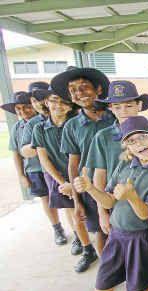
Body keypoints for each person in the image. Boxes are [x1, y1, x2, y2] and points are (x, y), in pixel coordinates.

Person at [74, 116, 148, 291]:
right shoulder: (124, 165)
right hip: (116, 236)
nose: (138, 144)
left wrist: (131, 197)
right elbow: (109, 200)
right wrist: (90, 188)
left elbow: (146, 215)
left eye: (143, 137)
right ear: (127, 147)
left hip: (141, 239)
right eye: (131, 141)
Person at [87, 80, 148, 291]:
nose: (123, 111)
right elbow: (100, 177)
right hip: (117, 223)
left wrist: (132, 196)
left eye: (128, 105)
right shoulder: (104, 138)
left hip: (141, 231)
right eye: (117, 107)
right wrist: (103, 212)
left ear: (139, 105)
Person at [52, 66, 115, 272]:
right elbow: (73, 164)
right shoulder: (72, 126)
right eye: (73, 90)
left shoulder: (116, 115)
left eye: (84, 87)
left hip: (120, 184)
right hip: (91, 189)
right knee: (100, 233)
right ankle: (109, 273)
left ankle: (134, 285)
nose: (79, 93)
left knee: (128, 234)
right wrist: (77, 201)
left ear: (98, 89)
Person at [2, 91, 65, 245]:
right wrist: (21, 175)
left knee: (65, 198)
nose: (23, 112)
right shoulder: (17, 127)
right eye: (18, 109)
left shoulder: (46, 120)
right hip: (34, 169)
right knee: (45, 198)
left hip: (53, 167)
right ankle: (57, 228)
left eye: (26, 107)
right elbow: (17, 153)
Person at [31, 89, 82, 255]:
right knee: (69, 208)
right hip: (58, 176)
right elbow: (44, 160)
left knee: (87, 207)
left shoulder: (76, 123)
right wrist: (63, 183)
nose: (58, 105)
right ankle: (78, 238)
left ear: (70, 106)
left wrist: (77, 180)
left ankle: (92, 234)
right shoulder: (39, 128)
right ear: (47, 102)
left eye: (64, 102)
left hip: (81, 174)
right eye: (54, 100)